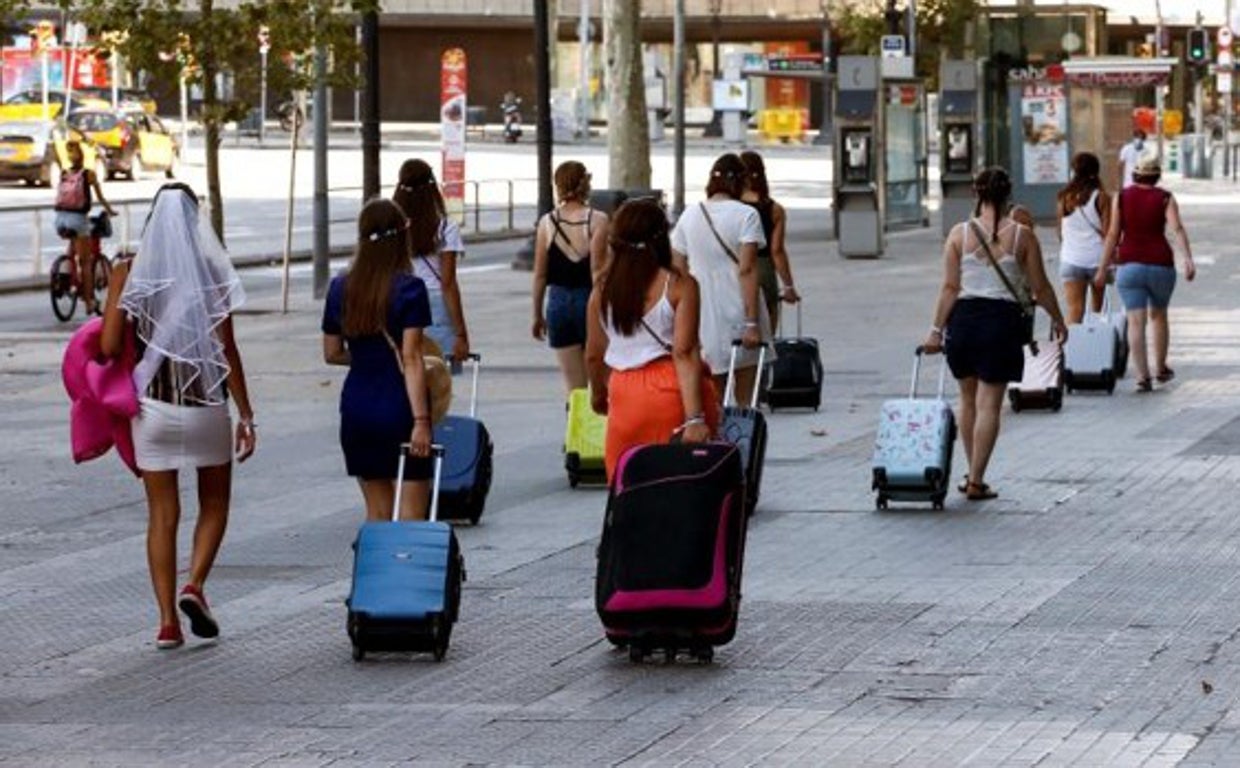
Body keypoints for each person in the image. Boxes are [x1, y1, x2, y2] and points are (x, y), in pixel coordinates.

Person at [99, 183, 256, 650]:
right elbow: (227, 349)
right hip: (207, 408)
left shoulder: (128, 271)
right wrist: (247, 415)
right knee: (215, 503)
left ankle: (167, 623)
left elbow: (109, 346)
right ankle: (196, 585)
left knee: (162, 514)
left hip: (154, 410)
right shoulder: (211, 271)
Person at [922, 168, 1067, 501]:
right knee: (989, 405)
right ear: (1008, 195)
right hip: (1001, 323)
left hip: (963, 322)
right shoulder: (1022, 236)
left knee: (967, 400)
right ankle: (976, 479)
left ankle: (972, 474)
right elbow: (1041, 287)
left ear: (977, 193)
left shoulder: (958, 234)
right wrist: (1059, 320)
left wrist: (935, 331)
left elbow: (949, 287)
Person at [584, 199, 720, 482]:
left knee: (627, 483)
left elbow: (594, 354)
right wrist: (694, 418)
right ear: (662, 237)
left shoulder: (602, 289)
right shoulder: (680, 284)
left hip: (623, 392)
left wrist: (598, 394)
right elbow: (685, 352)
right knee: (679, 483)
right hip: (671, 391)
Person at [322, 198, 437, 522]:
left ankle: (374, 557)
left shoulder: (340, 288)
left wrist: (366, 356)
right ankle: (404, 559)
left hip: (357, 407)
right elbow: (412, 358)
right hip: (399, 407)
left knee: (377, 512)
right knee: (412, 514)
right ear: (402, 237)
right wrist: (421, 422)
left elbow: (332, 353)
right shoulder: (411, 289)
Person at [671, 153, 770, 406]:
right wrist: (752, 322)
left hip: (701, 310)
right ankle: (743, 430)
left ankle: (718, 430)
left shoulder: (690, 215)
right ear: (741, 182)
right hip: (739, 306)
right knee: (746, 399)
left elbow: (677, 268)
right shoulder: (747, 215)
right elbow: (747, 269)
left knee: (713, 393)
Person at [1094, 155, 1196, 392]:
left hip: (1129, 266)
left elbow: (1113, 234)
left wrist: (1101, 268)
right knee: (1159, 316)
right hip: (1161, 265)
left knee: (1135, 321)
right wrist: (1188, 259)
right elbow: (1177, 228)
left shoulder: (1121, 197)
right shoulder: (1165, 198)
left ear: (1135, 175)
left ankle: (1142, 376)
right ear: (1157, 176)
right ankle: (1160, 368)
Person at [532, 161, 608, 393]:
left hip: (558, 303)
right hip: (590, 300)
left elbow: (540, 275)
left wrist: (537, 315)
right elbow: (597, 271)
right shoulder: (598, 220)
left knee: (574, 390)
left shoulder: (547, 223)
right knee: (600, 386)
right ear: (585, 184)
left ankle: (574, 416)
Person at [392, 158, 470, 369]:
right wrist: (461, 333)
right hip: (434, 304)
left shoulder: (392, 227)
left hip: (398, 300)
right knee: (437, 377)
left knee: (404, 372)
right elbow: (448, 283)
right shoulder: (445, 227)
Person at [739, 150, 800, 331]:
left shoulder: (731, 208)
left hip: (735, 267)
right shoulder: (774, 209)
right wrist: (788, 286)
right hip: (763, 269)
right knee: (766, 334)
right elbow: (777, 251)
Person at [55, 140, 116, 315]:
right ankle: (89, 301)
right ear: (83, 156)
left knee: (73, 246)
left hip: (60, 219)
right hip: (78, 219)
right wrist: (110, 211)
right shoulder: (89, 174)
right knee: (86, 262)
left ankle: (65, 273)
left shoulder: (64, 174)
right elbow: (100, 198)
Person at [1056, 152, 1111, 324]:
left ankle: (1070, 341)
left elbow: (1060, 233)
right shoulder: (1101, 197)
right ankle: (1095, 339)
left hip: (1071, 260)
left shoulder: (1064, 197)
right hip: (1097, 261)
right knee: (1098, 311)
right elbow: (1108, 233)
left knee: (1074, 310)